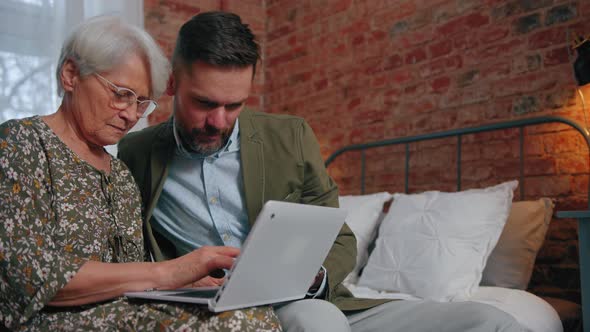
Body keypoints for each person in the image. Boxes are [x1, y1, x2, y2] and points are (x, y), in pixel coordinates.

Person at [118, 11, 523, 332]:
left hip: (311, 297)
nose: (220, 121)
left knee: (493, 322)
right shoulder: (135, 152)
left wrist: (316, 276)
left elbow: (339, 235)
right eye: (205, 103)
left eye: (235, 105)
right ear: (172, 84)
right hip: (226, 311)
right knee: (320, 323)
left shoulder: (291, 136)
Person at [0, 15, 281, 331]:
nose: (131, 115)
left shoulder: (120, 174)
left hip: (119, 316)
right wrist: (167, 273)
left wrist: (184, 283)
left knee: (254, 313)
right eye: (121, 94)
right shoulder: (21, 142)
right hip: (47, 323)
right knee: (240, 324)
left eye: (142, 102)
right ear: (70, 75)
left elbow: (125, 278)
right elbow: (35, 277)